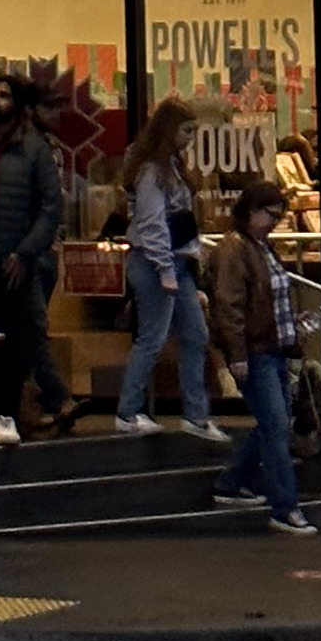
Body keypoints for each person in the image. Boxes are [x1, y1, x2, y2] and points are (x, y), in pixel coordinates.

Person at [207, 180, 312, 529]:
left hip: (269, 345)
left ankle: (232, 483)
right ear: (250, 212)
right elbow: (228, 307)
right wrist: (237, 354)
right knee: (275, 427)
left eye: (277, 216)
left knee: (272, 425)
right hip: (258, 349)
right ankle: (285, 506)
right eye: (270, 214)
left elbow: (243, 304)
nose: (274, 221)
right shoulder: (238, 250)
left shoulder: (254, 246)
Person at [114, 101, 220, 438]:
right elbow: (152, 222)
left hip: (177, 259)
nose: (191, 138)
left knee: (196, 334)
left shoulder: (170, 166)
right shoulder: (153, 171)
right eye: (186, 130)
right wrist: (164, 268)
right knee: (153, 337)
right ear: (169, 130)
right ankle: (128, 412)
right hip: (156, 261)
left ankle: (195, 414)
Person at [0, 72, 79, 438]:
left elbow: (49, 206)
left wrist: (25, 252)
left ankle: (12, 410)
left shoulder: (34, 148)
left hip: (17, 260)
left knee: (22, 336)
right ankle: (5, 407)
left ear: (19, 106)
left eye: (4, 95)